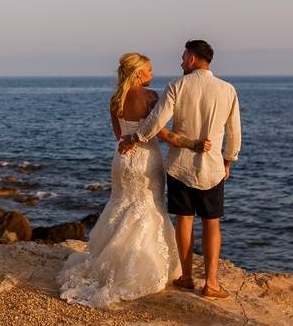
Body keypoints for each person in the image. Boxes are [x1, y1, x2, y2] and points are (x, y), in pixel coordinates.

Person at [57, 52, 211, 308]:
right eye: (149, 70)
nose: (153, 74)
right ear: (138, 73)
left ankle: (108, 262)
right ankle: (137, 267)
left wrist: (128, 142)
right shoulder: (151, 98)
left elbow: (119, 135)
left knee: (121, 204)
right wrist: (194, 144)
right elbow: (164, 135)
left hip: (121, 160)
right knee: (149, 207)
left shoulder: (115, 100)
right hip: (146, 160)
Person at [118, 40, 241, 300]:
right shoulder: (228, 90)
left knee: (184, 219)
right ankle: (211, 283)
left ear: (194, 59)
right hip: (212, 168)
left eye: (184, 57)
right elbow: (234, 131)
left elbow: (156, 120)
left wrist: (135, 138)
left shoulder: (177, 85)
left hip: (179, 166)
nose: (181, 61)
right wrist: (228, 159)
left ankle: (186, 276)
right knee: (212, 223)